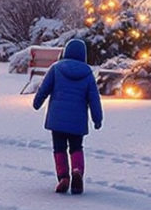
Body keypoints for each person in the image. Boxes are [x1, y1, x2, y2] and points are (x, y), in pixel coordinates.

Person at [30, 37, 102, 194]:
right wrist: (97, 118)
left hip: (57, 119)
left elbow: (44, 88)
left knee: (59, 149)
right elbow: (94, 98)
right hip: (77, 121)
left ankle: (63, 177)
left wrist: (37, 102)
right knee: (76, 147)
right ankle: (77, 170)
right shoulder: (87, 73)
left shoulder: (56, 68)